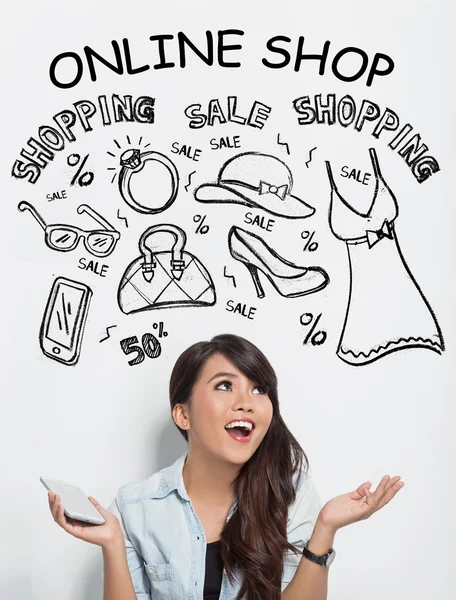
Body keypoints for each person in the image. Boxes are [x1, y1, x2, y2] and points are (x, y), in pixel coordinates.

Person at [47, 333, 405, 600]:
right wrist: (112, 543)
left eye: (259, 390)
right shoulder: (134, 507)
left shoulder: (292, 494)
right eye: (224, 386)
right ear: (183, 414)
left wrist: (324, 529)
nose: (246, 403)